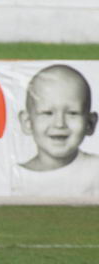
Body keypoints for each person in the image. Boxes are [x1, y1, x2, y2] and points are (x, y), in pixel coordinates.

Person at [15, 64, 99, 196]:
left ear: (90, 123)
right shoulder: (14, 178)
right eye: (47, 113)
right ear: (28, 122)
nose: (59, 124)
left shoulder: (96, 170)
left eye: (72, 113)